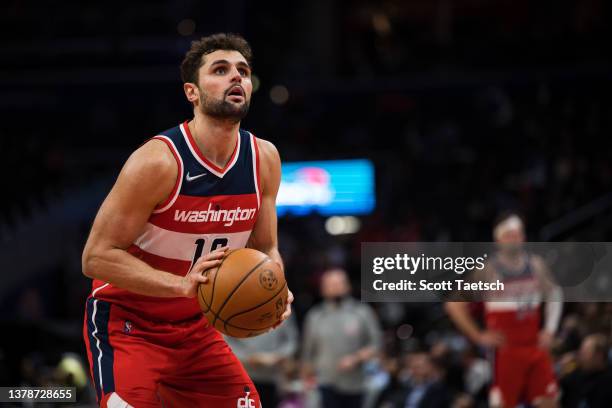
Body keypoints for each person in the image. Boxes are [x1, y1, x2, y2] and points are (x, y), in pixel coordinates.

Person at [81, 33, 293, 408]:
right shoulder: (158, 162)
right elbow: (96, 257)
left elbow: (265, 246)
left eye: (243, 71)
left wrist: (275, 287)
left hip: (197, 328)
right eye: (221, 70)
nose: (236, 78)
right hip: (130, 326)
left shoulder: (264, 159)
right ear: (192, 92)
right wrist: (180, 285)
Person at [445, 213, 562, 408]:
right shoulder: (487, 270)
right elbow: (453, 305)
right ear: (498, 240)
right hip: (505, 351)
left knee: (549, 401)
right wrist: (478, 336)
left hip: (534, 346)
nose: (514, 239)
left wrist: (550, 329)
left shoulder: (536, 265)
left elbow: (555, 294)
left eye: (517, 234)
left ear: (523, 238)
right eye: (509, 235)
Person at [301, 268, 383, 408]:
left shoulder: (362, 312)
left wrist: (356, 358)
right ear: (323, 289)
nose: (335, 288)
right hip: (324, 383)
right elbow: (308, 353)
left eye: (339, 283)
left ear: (348, 286)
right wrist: (305, 379)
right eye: (330, 284)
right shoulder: (315, 316)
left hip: (354, 384)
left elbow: (376, 344)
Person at [224, 315, 299, 407]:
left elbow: (292, 341)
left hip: (272, 377)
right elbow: (227, 341)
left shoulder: (283, 307)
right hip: (244, 376)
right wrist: (247, 357)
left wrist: (278, 356)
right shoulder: (235, 307)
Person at [560, 333, 612, 407]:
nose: (580, 355)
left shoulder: (608, 383)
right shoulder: (578, 372)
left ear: (598, 356)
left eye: (585, 352)